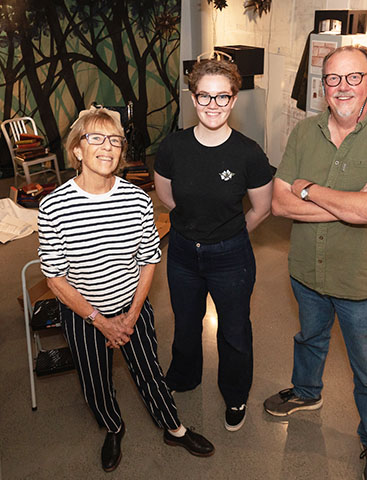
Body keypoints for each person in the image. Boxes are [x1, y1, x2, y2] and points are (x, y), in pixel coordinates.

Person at [263, 46, 367, 480]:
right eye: (333, 78)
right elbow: (278, 203)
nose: (343, 86)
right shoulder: (304, 132)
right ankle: (307, 392)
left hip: (362, 282)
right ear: (322, 86)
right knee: (309, 339)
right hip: (307, 271)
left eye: (354, 76)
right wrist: (352, 203)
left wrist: (307, 188)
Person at [37, 107, 214, 473]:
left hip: (132, 309)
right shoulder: (53, 205)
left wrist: (131, 316)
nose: (108, 147)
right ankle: (113, 427)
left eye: (115, 140)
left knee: (149, 370)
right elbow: (55, 279)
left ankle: (173, 427)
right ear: (77, 151)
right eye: (96, 138)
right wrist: (101, 321)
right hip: (84, 315)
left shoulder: (135, 199)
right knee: (94, 380)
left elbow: (149, 259)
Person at [154, 57, 273, 432]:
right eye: (204, 96)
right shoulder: (173, 146)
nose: (213, 105)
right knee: (186, 322)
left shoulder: (248, 153)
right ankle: (184, 377)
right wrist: (196, 226)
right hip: (184, 253)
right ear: (193, 97)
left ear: (234, 100)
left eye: (222, 97)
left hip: (231, 256)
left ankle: (235, 394)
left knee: (234, 330)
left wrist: (228, 234)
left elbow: (261, 208)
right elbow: (166, 196)